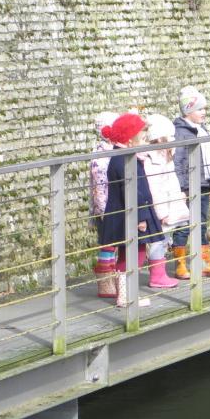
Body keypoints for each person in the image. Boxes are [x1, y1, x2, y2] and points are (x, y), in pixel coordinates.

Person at [101, 113, 168, 307]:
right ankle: (125, 295)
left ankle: (125, 293)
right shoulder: (124, 160)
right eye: (142, 137)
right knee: (135, 254)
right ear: (130, 141)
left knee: (129, 253)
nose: (145, 140)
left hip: (127, 215)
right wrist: (140, 217)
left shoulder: (124, 157)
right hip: (130, 215)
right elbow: (131, 191)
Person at [171, 86, 210, 278]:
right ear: (188, 110)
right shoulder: (180, 132)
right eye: (200, 109)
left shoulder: (201, 131)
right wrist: (181, 187)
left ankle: (203, 263)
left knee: (201, 223)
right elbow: (178, 162)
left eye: (204, 109)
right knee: (183, 224)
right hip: (188, 186)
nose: (204, 113)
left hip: (203, 184)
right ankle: (180, 265)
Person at [137, 114, 186, 288]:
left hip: (169, 204)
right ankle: (157, 275)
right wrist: (162, 212)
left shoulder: (165, 156)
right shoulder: (152, 160)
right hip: (160, 209)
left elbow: (171, 181)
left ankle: (160, 274)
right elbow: (155, 189)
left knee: (164, 240)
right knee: (158, 241)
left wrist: (178, 195)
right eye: (169, 137)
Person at [90, 111, 119, 299]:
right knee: (108, 245)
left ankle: (112, 279)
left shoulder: (113, 150)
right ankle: (105, 282)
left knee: (114, 245)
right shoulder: (101, 156)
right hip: (106, 209)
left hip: (115, 205)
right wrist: (103, 211)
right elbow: (99, 188)